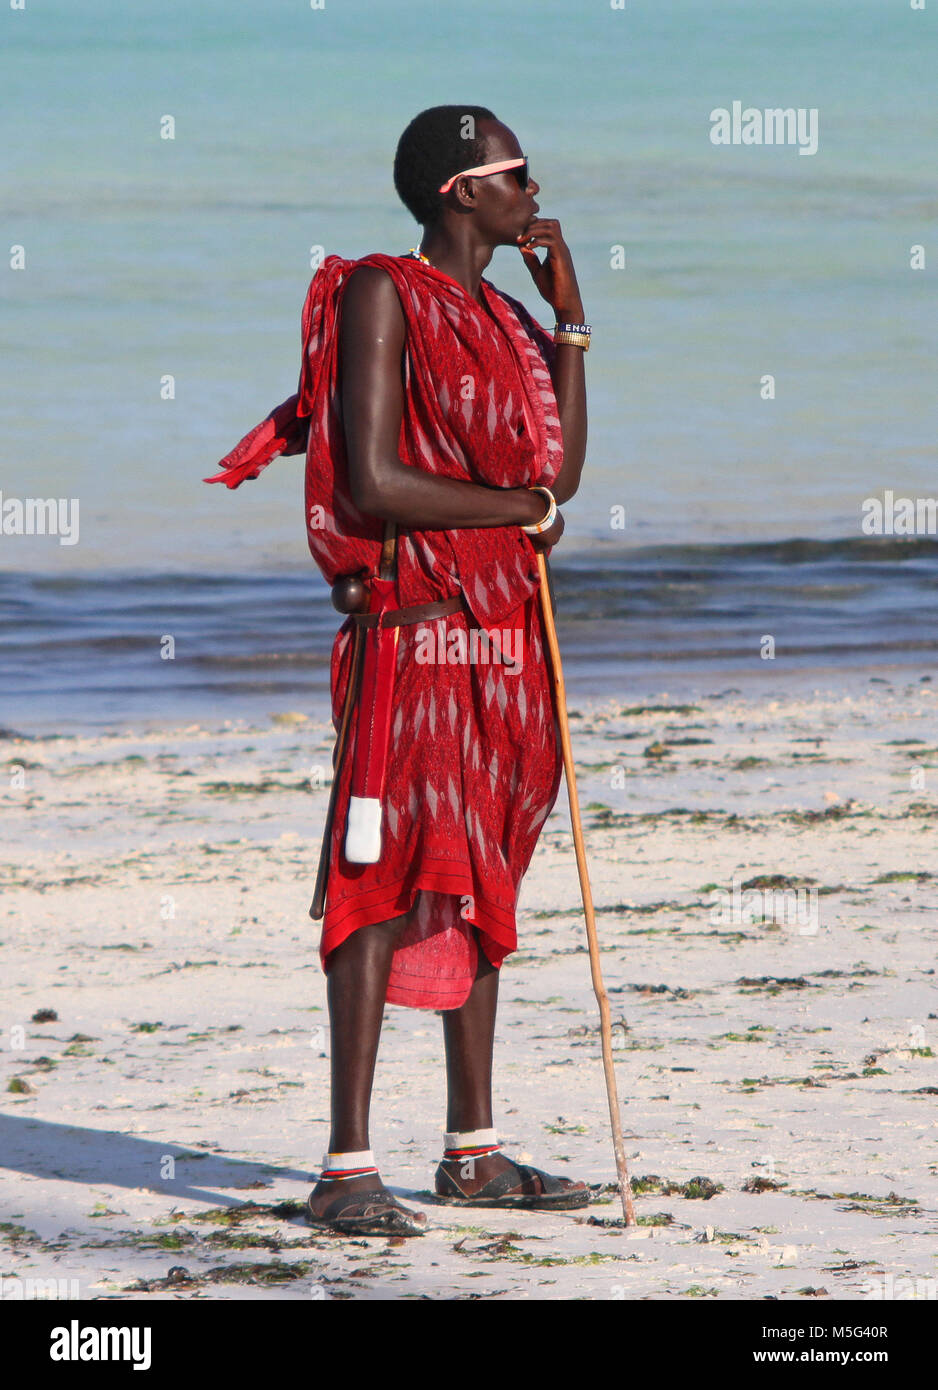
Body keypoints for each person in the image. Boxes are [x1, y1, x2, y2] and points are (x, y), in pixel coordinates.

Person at [207, 105, 590, 1236]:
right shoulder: (381, 292)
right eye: (516, 172)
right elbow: (371, 480)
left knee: (481, 871)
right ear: (460, 191)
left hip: (503, 637)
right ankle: (344, 1166)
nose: (535, 190)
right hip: (411, 630)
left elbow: (555, 476)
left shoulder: (509, 317)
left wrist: (571, 319)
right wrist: (518, 508)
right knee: (379, 875)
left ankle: (472, 1152)